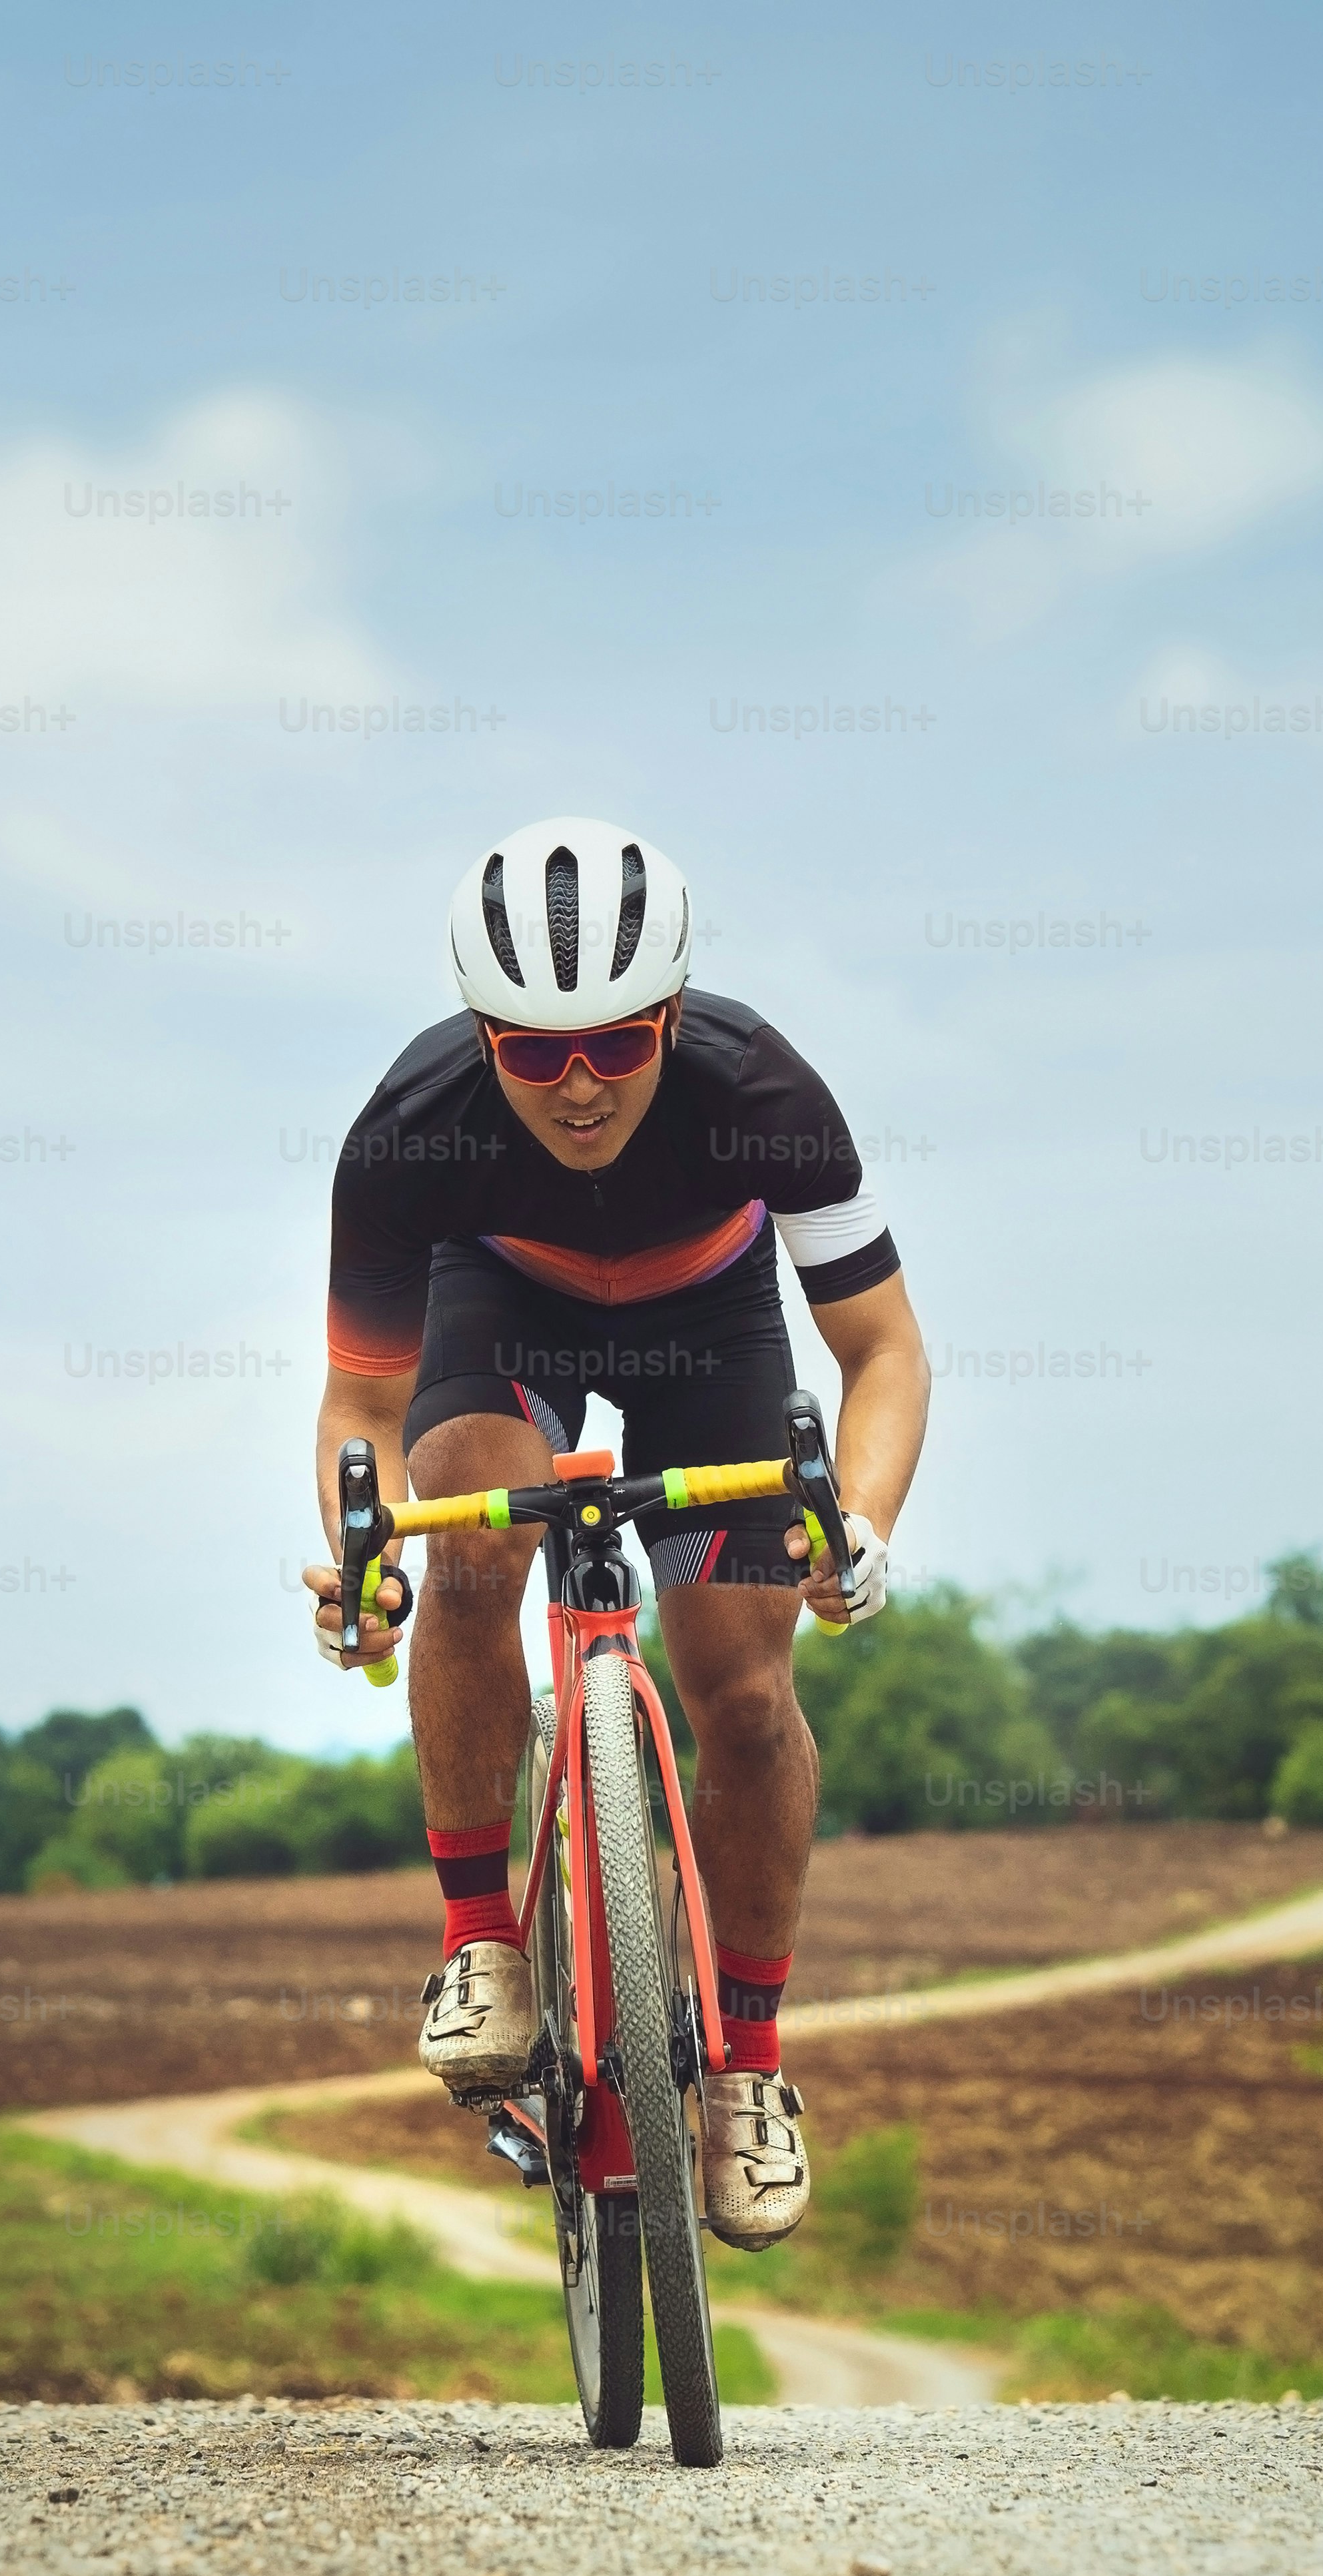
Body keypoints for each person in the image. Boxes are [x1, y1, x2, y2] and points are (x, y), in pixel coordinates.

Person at [297, 816, 927, 2248]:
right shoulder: (408, 1129)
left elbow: (883, 1352)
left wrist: (863, 1527)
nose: (578, 1085)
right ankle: (479, 1948)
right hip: (500, 1305)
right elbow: (360, 1401)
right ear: (480, 1035)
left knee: (751, 1693)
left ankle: (750, 2072)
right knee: (466, 1552)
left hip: (709, 1327)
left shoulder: (762, 1091)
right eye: (530, 1052)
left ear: (672, 1016)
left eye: (616, 1044)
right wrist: (364, 1559)